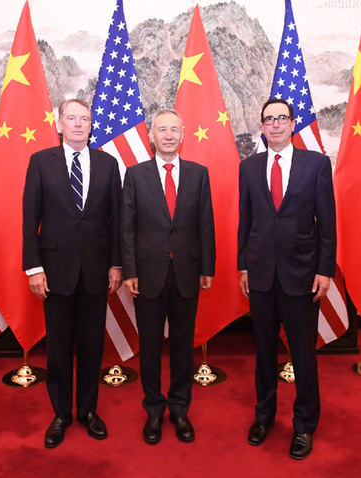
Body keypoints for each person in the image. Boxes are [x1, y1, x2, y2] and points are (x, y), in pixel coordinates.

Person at [237, 98, 336, 460]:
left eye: (281, 118)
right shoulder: (248, 168)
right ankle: (264, 417)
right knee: (263, 352)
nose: (275, 125)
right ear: (262, 127)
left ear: (292, 124)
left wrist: (325, 269)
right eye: (268, 120)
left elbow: (327, 223)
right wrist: (243, 266)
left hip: (302, 276)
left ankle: (305, 424)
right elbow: (245, 221)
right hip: (261, 276)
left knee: (303, 355)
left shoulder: (316, 165)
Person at [22, 98, 122, 449]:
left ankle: (89, 411)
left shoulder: (108, 164)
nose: (79, 124)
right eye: (72, 118)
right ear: (59, 123)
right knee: (60, 348)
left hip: (97, 271)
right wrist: (34, 267)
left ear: (91, 124)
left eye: (85, 119)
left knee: (93, 346)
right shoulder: (41, 162)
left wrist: (116, 263)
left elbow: (117, 220)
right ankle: (62, 414)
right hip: (54, 271)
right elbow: (29, 218)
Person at [121, 108, 215, 445]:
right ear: (151, 135)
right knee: (149, 347)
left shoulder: (198, 173)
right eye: (162, 129)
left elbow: (206, 223)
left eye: (175, 129)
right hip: (147, 275)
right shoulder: (135, 175)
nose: (169, 135)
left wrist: (207, 267)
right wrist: (129, 270)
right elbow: (126, 227)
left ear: (183, 134)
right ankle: (154, 410)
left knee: (182, 346)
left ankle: (179, 408)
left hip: (187, 273)